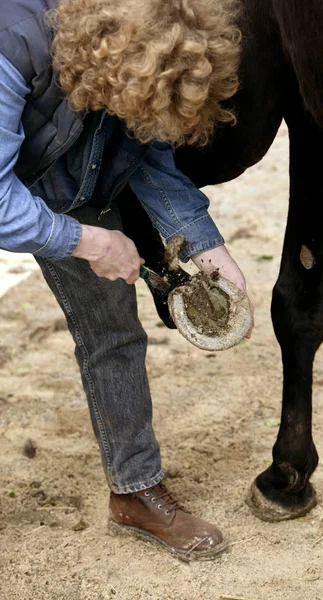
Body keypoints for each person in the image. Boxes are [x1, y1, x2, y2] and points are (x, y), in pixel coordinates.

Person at [0, 0, 250, 560]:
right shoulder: (11, 47)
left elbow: (154, 161)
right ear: (108, 64)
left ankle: (134, 491)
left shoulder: (153, 54)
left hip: (66, 181)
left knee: (114, 332)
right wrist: (89, 241)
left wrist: (209, 249)